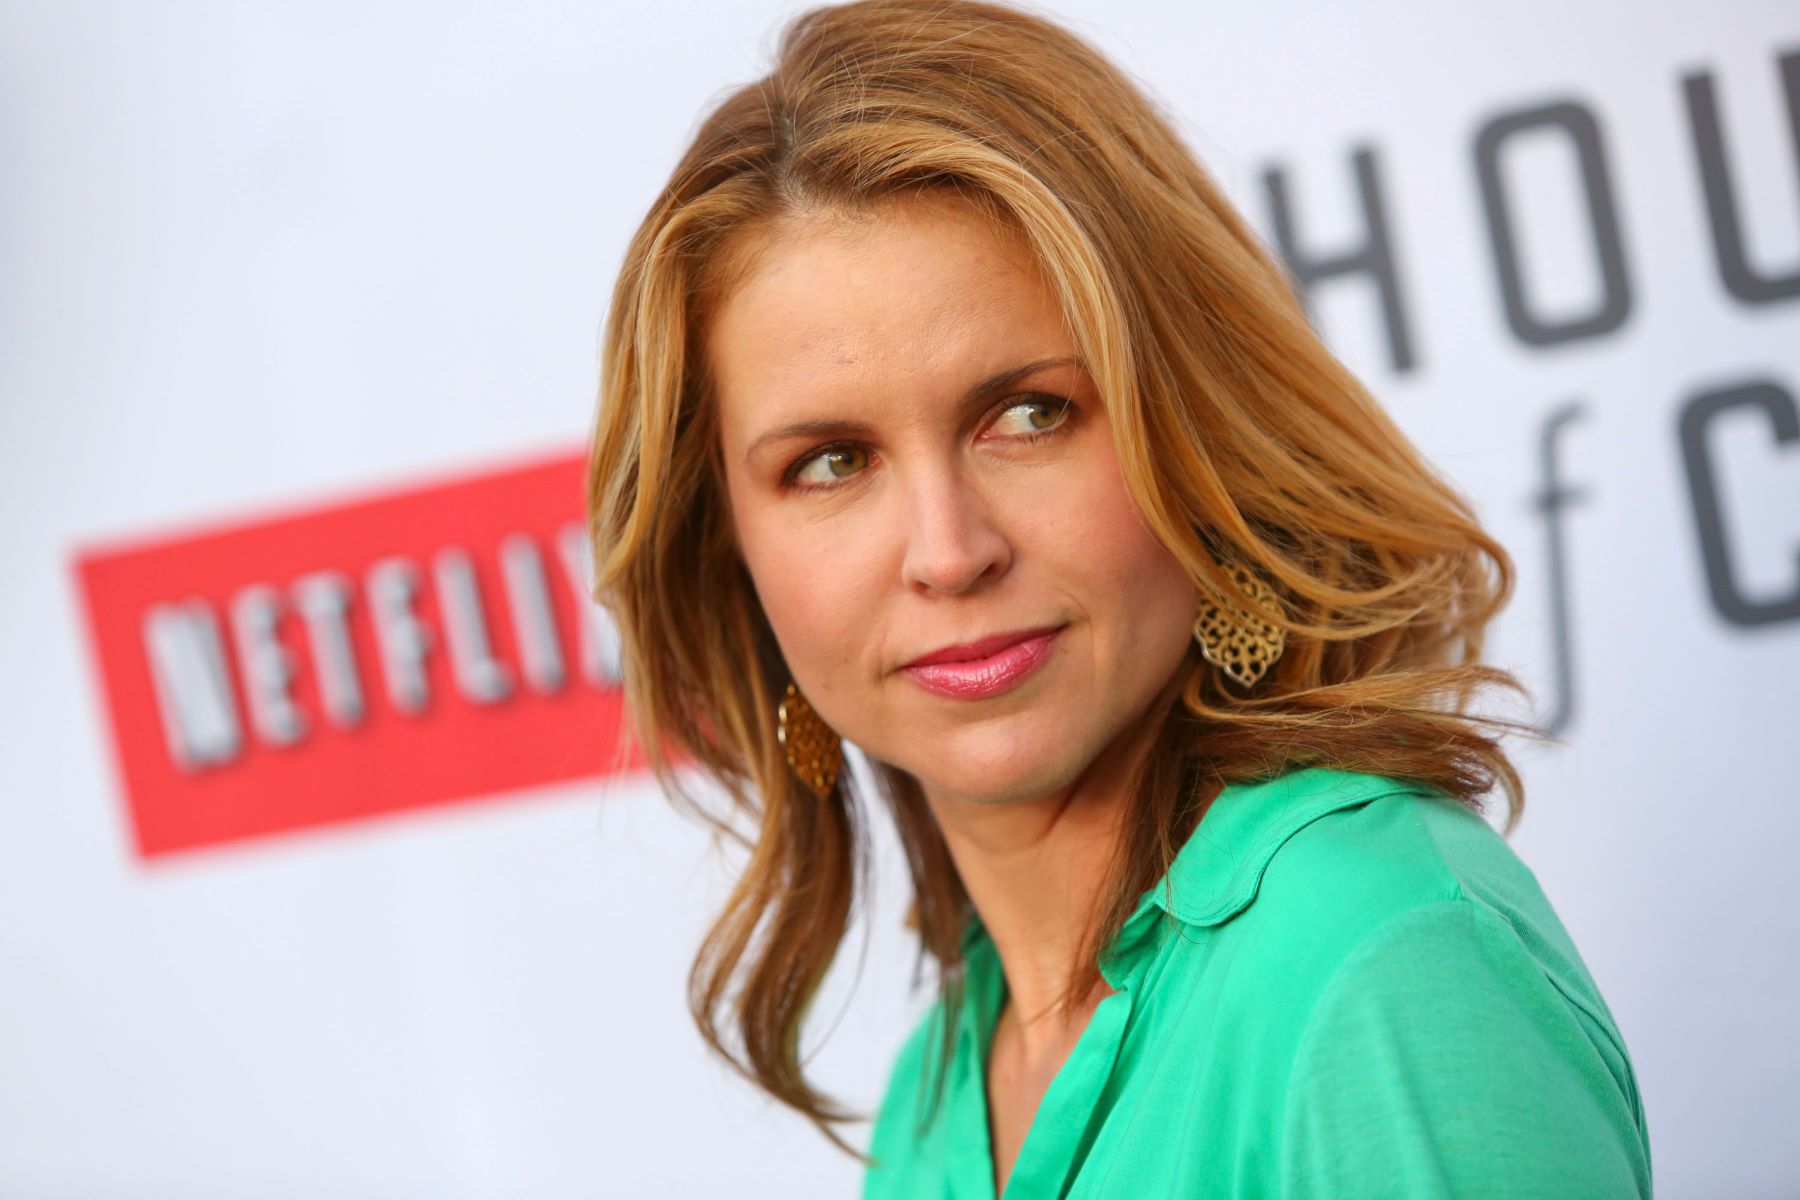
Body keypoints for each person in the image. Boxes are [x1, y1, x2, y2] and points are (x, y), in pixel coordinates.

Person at [584, 0, 1653, 1195]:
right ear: (728, 547)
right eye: (831, 462)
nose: (947, 551)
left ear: (1199, 432)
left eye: (1030, 415)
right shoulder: (935, 1101)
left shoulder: (1377, 962)